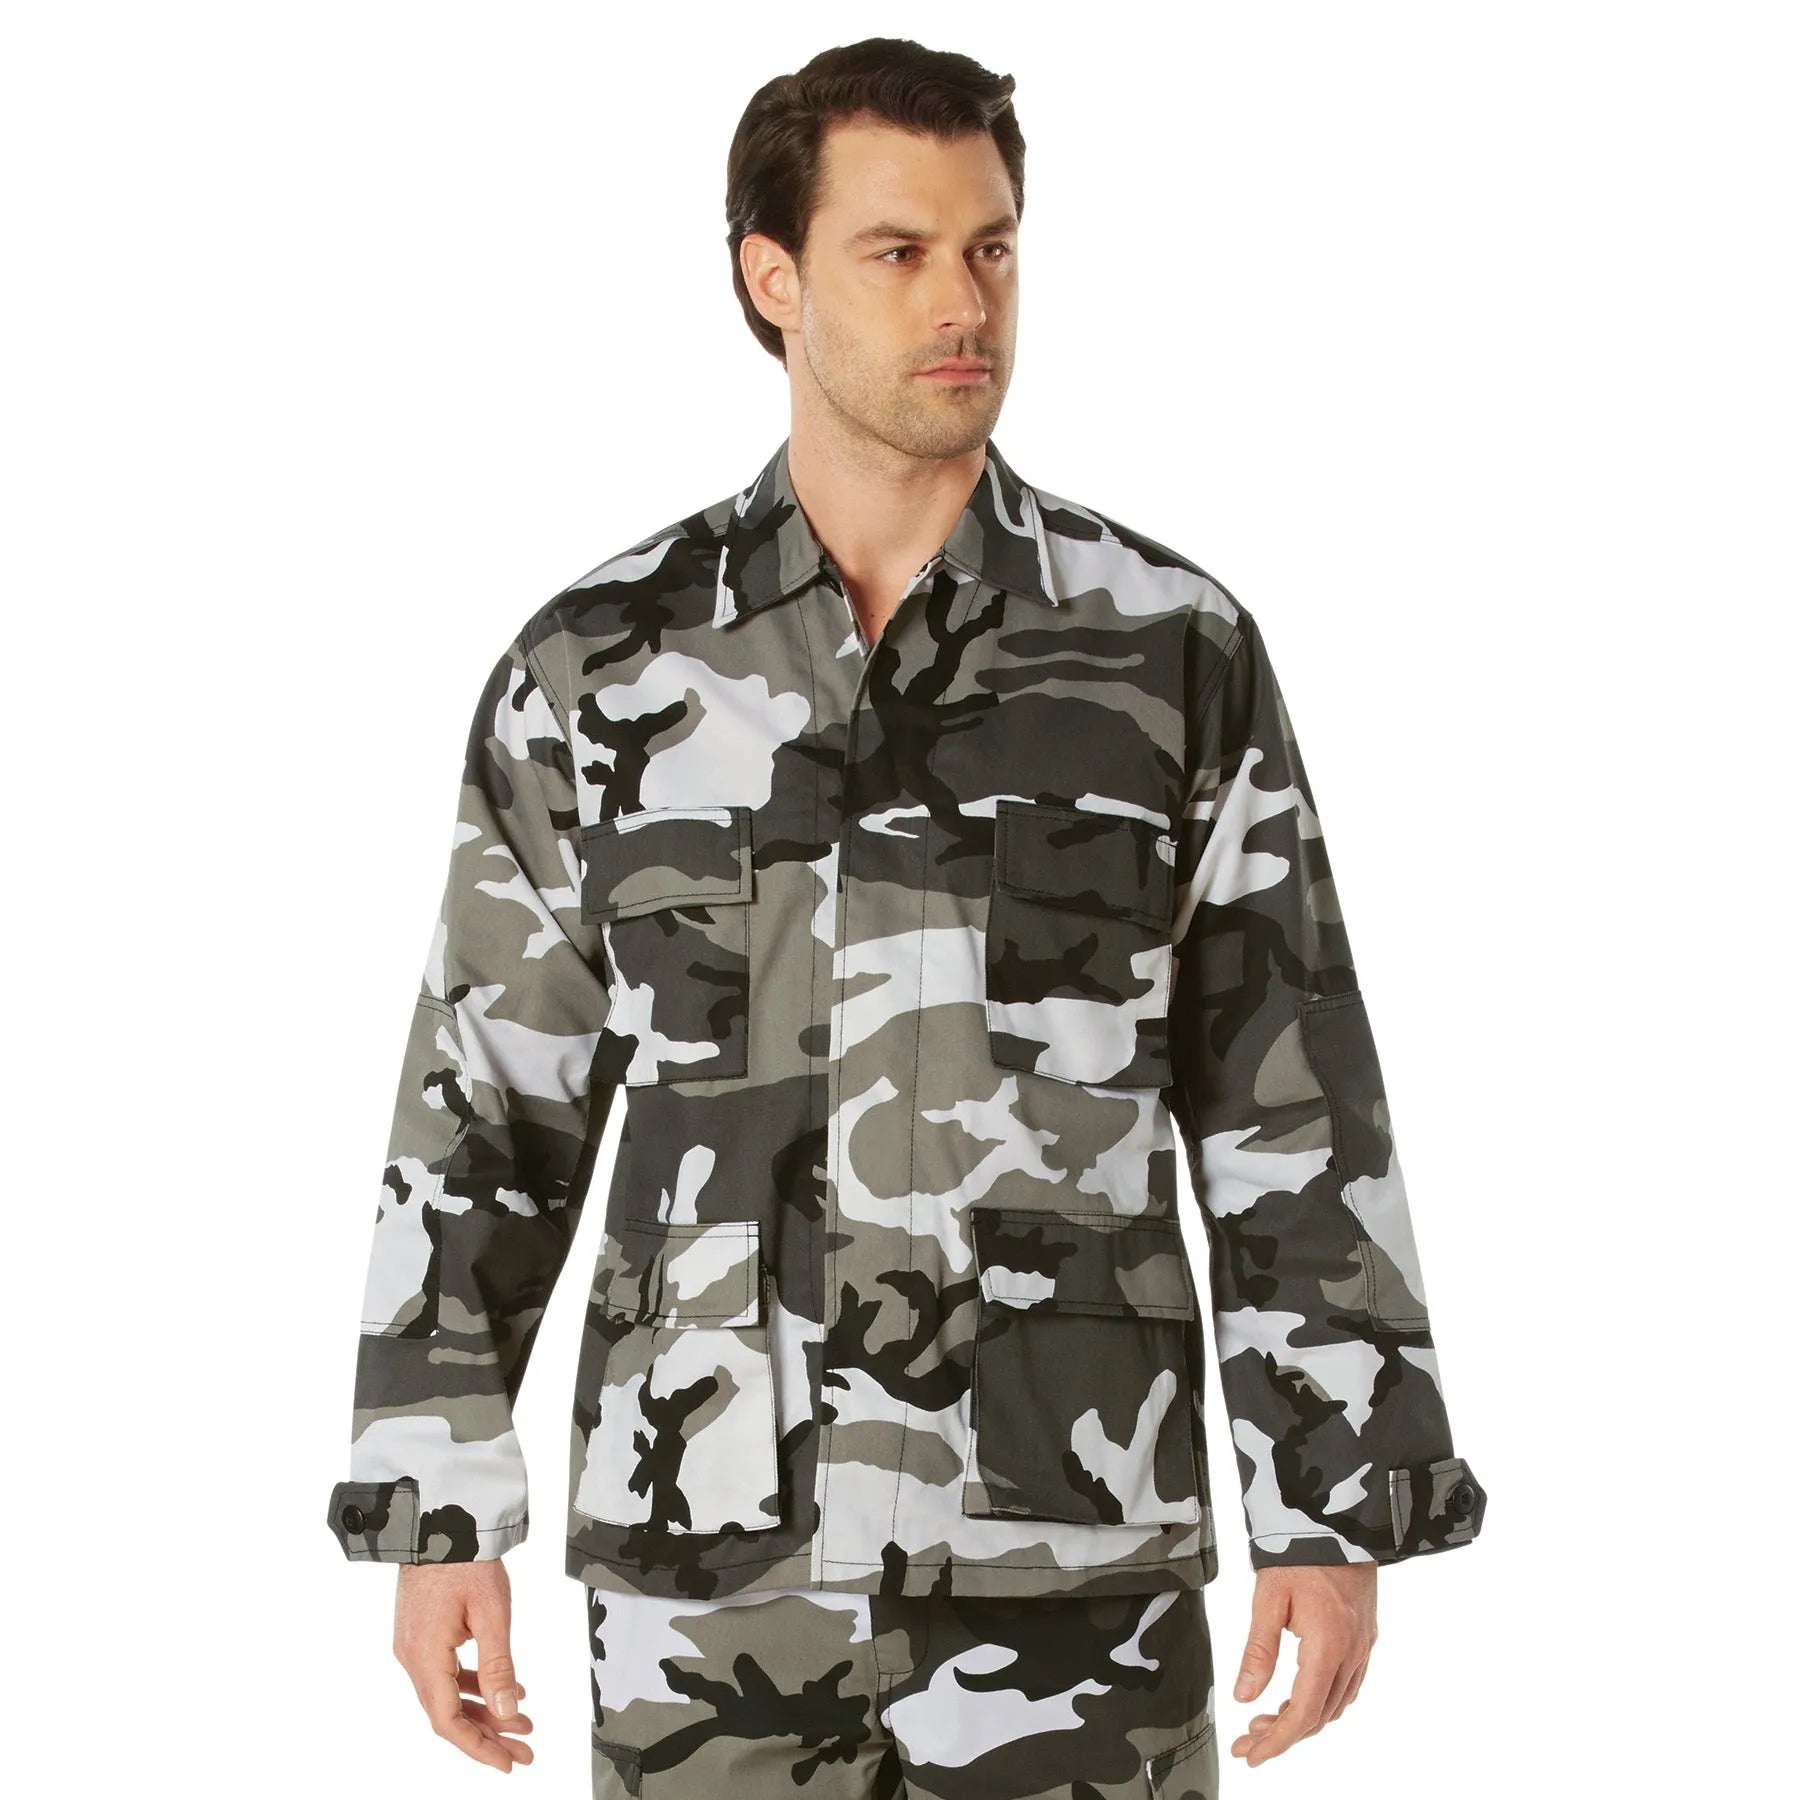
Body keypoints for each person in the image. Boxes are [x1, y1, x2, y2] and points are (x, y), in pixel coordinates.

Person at [326, 36, 1487, 1798]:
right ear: (771, 278)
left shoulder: (1168, 651)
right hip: (712, 1574)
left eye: (991, 247)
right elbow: (486, 1105)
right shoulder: (600, 668)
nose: (965, 303)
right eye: (899, 252)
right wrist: (434, 1508)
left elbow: (1287, 1092)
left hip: (1071, 1564)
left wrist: (1334, 1505)